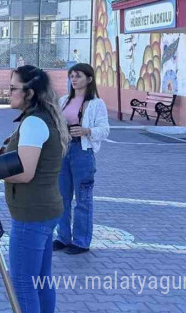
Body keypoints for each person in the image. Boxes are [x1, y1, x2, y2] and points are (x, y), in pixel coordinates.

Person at [0, 65, 70, 313]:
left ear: (29, 93)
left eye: (13, 88)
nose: (9, 93)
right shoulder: (43, 118)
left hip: (32, 215)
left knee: (22, 282)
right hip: (46, 209)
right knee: (41, 279)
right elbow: (29, 159)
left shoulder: (33, 123)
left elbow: (25, 172)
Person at [54, 63, 109, 255]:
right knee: (62, 197)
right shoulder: (63, 101)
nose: (74, 79)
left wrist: (87, 131)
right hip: (63, 151)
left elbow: (105, 130)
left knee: (83, 199)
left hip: (82, 152)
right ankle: (63, 237)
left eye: (78, 76)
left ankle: (81, 241)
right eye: (71, 76)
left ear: (89, 79)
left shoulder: (96, 103)